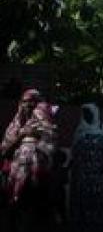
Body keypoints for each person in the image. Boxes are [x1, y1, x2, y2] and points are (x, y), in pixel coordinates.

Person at [0, 89, 57, 231]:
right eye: (25, 101)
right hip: (13, 182)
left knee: (33, 216)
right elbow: (4, 152)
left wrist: (37, 145)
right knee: (13, 214)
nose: (29, 104)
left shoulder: (44, 125)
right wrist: (21, 136)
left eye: (33, 101)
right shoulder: (14, 127)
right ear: (20, 103)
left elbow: (51, 148)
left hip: (36, 182)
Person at [70, 103, 103, 231]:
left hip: (98, 167)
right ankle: (85, 221)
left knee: (98, 194)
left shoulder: (102, 127)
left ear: (95, 113)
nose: (87, 115)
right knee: (84, 195)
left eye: (89, 113)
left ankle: (100, 222)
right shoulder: (80, 128)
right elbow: (74, 148)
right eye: (85, 113)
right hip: (83, 169)